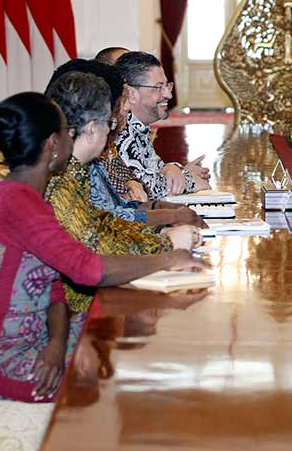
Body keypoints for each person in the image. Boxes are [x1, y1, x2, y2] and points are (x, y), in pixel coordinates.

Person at [0, 92, 206, 403]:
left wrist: (57, 343)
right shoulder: (20, 205)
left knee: (122, 344)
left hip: (38, 341)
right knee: (116, 383)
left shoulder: (25, 196)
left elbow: (54, 286)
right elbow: (89, 269)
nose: (72, 140)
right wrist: (167, 259)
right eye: (67, 132)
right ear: (52, 145)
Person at [45, 71, 202, 314]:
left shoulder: (76, 171)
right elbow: (96, 254)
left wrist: (162, 237)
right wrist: (166, 247)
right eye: (109, 123)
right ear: (90, 129)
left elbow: (106, 224)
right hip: (75, 314)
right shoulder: (59, 181)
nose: (111, 131)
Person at [47, 59, 201, 227]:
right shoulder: (60, 175)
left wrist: (161, 207)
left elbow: (121, 205)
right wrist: (166, 239)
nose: (115, 121)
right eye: (109, 120)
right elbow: (100, 234)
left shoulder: (87, 161)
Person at [115, 51, 211, 198]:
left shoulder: (139, 127)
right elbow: (139, 187)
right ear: (132, 94)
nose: (168, 94)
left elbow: (155, 170)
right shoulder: (120, 130)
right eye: (159, 87)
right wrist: (189, 181)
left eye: (167, 86)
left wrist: (180, 171)